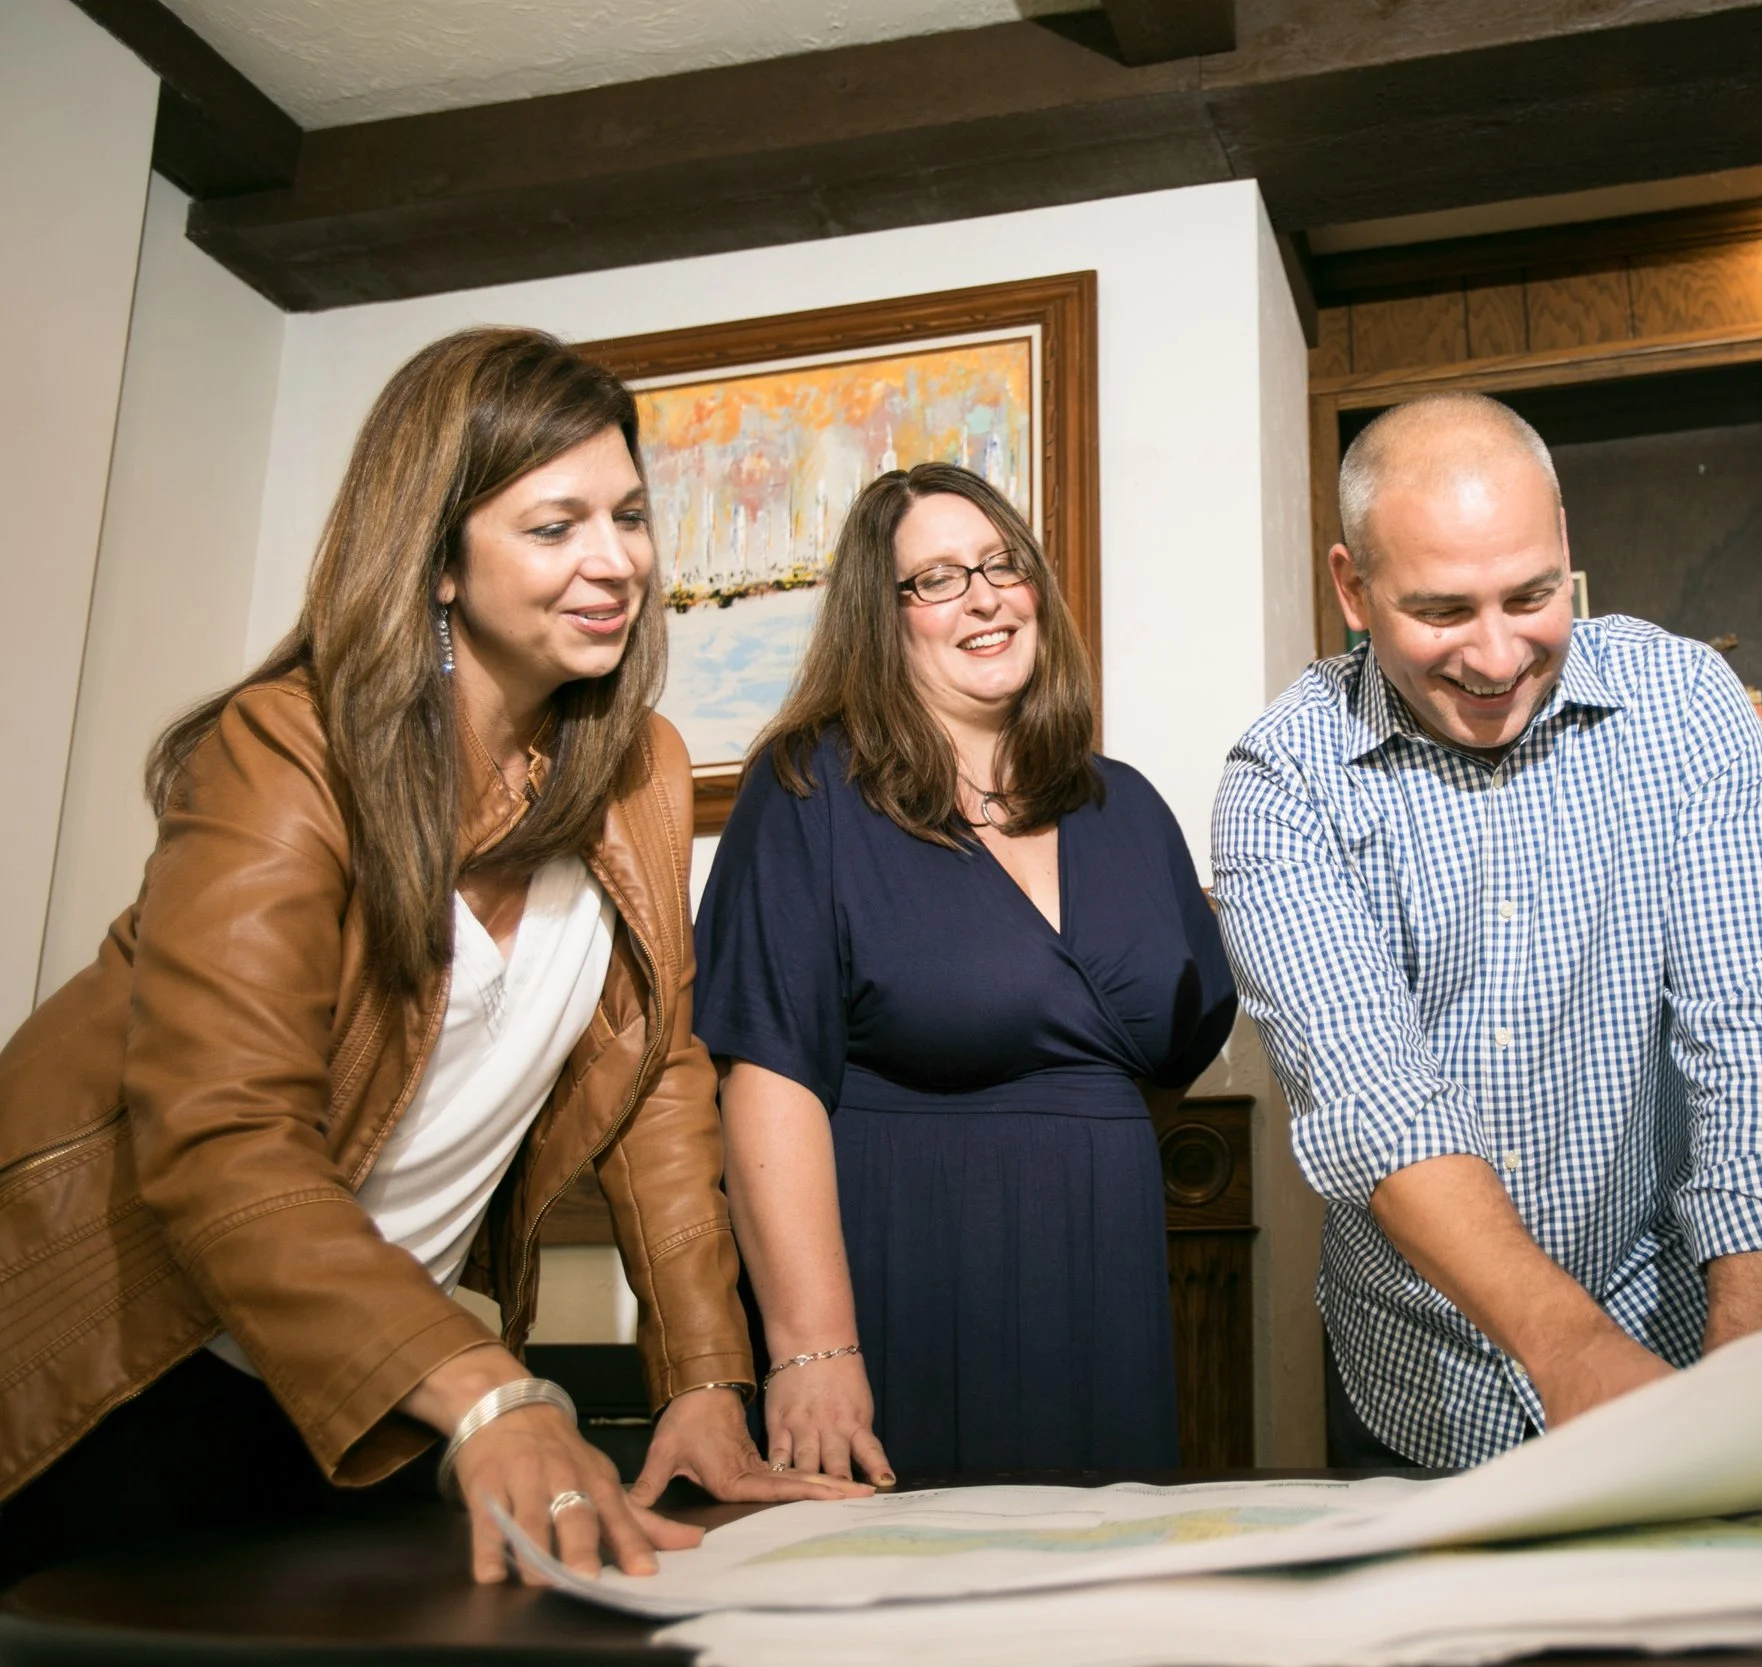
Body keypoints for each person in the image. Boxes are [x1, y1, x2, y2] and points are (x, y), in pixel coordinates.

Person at [0, 328, 849, 1591]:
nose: (615, 560)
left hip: (383, 1388)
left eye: (627, 515)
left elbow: (658, 1076)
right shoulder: (283, 751)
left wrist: (706, 1380)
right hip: (130, 1370)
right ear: (439, 559)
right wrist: (494, 1391)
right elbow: (222, 1130)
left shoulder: (642, 768)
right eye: (554, 526)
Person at [1212, 393, 1762, 1469]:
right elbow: (1378, 1106)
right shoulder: (1283, 779)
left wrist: (1746, 1381)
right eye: (1441, 610)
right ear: (1352, 586)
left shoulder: (1686, 702)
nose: (1497, 653)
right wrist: (1569, 1349)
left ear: (1564, 546)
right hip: (1421, 1377)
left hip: (1674, 1322)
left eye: (1530, 594)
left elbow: (1746, 1037)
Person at [693, 462, 1235, 1480]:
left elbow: (1163, 1059)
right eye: (937, 578)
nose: (984, 595)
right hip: (904, 1275)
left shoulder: (1128, 808)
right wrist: (814, 1346)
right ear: (880, 617)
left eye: (1001, 564)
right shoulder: (810, 789)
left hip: (1104, 1286)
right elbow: (765, 1074)